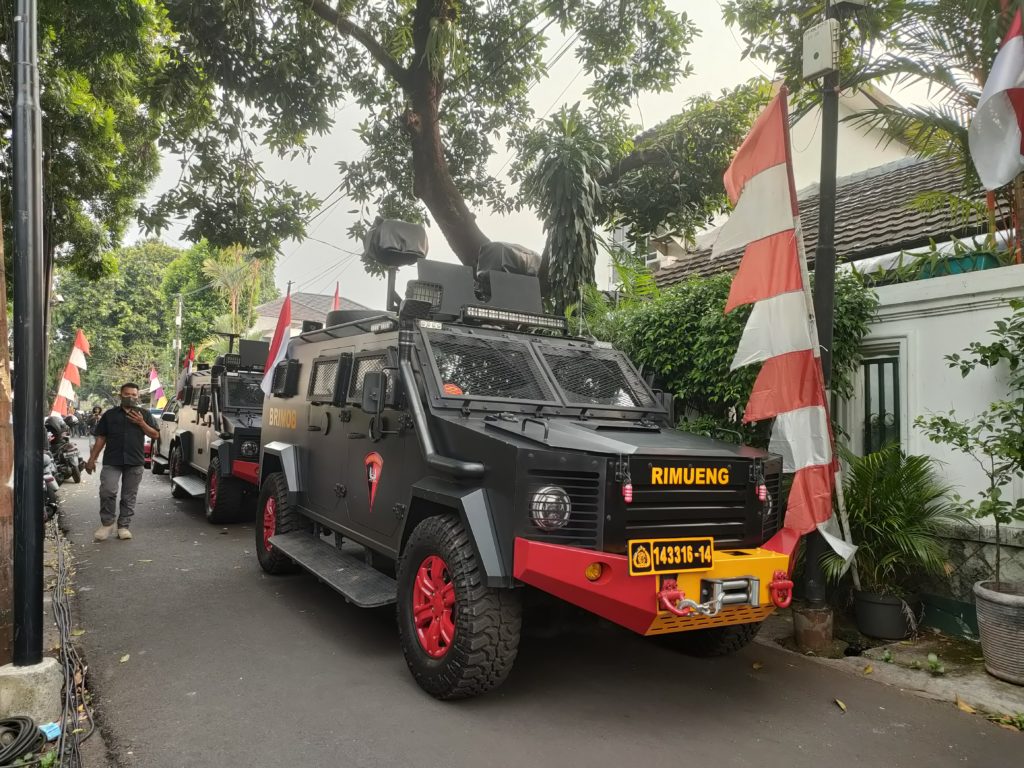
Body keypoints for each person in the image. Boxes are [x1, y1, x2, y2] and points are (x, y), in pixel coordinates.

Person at [84, 383, 159, 541]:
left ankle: (124, 526)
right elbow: (101, 438)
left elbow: (155, 435)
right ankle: (107, 523)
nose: (130, 397)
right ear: (120, 395)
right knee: (107, 490)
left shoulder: (144, 414)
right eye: (127, 394)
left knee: (128, 496)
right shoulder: (110, 415)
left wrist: (141, 423)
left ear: (138, 396)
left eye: (134, 395)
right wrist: (92, 459)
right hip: (112, 460)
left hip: (135, 461)